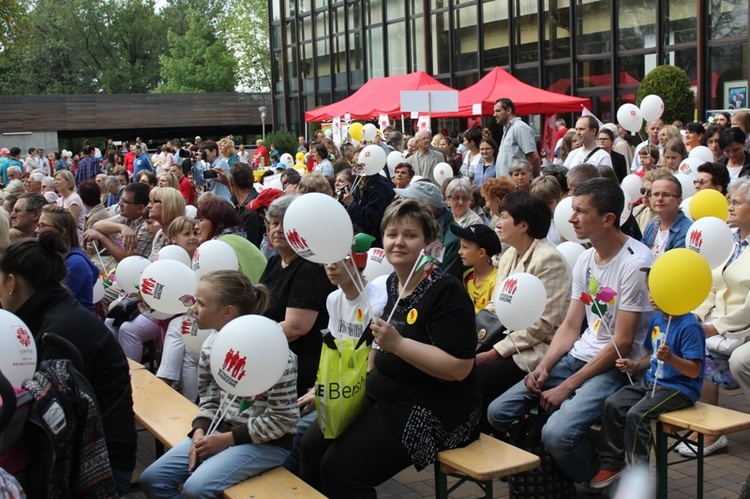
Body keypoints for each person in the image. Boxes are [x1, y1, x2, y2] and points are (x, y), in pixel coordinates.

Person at [299, 198, 480, 496]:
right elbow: (374, 351)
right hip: (386, 390)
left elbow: (459, 369)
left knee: (340, 470)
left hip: (434, 406)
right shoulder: (393, 284)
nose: (399, 242)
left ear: (428, 242)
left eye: (410, 235)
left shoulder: (446, 290)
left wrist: (398, 345)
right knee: (311, 446)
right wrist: (332, 388)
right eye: (392, 234)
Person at [487, 178, 655, 484]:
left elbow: (623, 343)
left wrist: (568, 386)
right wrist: (545, 367)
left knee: (557, 435)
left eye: (580, 211)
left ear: (608, 219)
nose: (571, 217)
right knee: (499, 411)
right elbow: (570, 325)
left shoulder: (636, 263)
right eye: (572, 209)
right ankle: (592, 459)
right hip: (579, 356)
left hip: (615, 368)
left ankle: (594, 479)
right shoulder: (587, 258)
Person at [140, 270, 298, 498]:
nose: (193, 308)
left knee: (196, 489)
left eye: (201, 304)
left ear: (227, 312)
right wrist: (199, 431)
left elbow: (283, 419)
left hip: (265, 444)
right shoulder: (212, 344)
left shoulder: (275, 352)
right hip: (218, 432)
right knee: (153, 479)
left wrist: (228, 440)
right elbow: (210, 398)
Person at [0, 232, 137, 494]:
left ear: (11, 282)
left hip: (101, 464)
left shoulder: (61, 328)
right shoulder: (49, 311)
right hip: (87, 451)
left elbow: (47, 415)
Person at [589, 271, 704, 489]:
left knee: (637, 415)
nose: (651, 296)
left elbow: (694, 371)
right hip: (652, 381)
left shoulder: (689, 325)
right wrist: (635, 365)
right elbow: (650, 357)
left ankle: (637, 478)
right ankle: (611, 463)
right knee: (613, 403)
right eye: (649, 289)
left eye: (656, 290)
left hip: (678, 388)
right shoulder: (657, 319)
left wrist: (671, 358)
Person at [285, 237, 388, 475]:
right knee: (290, 422)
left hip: (358, 394)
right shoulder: (333, 299)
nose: (331, 266)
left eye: (340, 259)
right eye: (327, 261)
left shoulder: (377, 304)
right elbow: (332, 354)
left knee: (300, 434)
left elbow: (370, 369)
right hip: (334, 387)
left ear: (358, 260)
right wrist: (317, 390)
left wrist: (324, 396)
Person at [476, 191, 571, 433]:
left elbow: (542, 325)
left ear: (523, 226)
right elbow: (496, 306)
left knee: (480, 377)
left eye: (504, 217)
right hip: (505, 337)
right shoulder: (508, 255)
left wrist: (494, 352)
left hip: (535, 349)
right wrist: (475, 333)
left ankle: (492, 443)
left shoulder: (549, 260)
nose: (497, 223)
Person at [688, 177, 750, 456]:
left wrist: (716, 327)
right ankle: (708, 430)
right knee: (690, 340)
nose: (729, 207)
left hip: (742, 327)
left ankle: (710, 428)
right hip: (721, 322)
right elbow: (711, 284)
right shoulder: (728, 239)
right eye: (730, 200)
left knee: (737, 359)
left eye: (737, 202)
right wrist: (698, 317)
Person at [259, 195, 336, 396]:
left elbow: (296, 327)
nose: (278, 229)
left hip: (297, 367)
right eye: (275, 223)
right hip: (271, 353)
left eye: (287, 224)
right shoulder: (274, 262)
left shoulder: (310, 267)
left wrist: (252, 341)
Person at [154, 216, 201, 401]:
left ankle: (165, 385)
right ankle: (185, 401)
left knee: (184, 339)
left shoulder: (202, 259)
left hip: (197, 321)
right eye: (187, 234)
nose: (193, 238)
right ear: (173, 238)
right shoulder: (168, 261)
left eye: (195, 233)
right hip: (171, 318)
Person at [39, 204, 99, 311]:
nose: (36, 230)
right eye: (38, 225)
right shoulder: (52, 256)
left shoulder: (75, 263)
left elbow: (52, 302)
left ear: (62, 232)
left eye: (42, 226)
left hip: (77, 324)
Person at [196, 198, 267, 284]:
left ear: (216, 221)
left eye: (201, 220)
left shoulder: (218, 246)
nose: (196, 226)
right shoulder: (238, 240)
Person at [450, 223, 502, 314]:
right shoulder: (467, 275)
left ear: (481, 253)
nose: (459, 252)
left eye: (465, 247)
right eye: (460, 247)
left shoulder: (496, 282)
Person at [341, 165, 395, 247]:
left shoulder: (380, 187)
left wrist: (351, 204)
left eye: (359, 164)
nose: (354, 166)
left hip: (373, 242)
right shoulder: (359, 183)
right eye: (354, 162)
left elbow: (371, 220)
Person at [641, 173, 691, 257]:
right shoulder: (652, 225)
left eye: (666, 195)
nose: (659, 199)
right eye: (656, 194)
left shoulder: (687, 231)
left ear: (679, 201)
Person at [494, 98, 541, 176]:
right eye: (494, 111)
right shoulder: (507, 129)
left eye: (498, 111)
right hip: (506, 184)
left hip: (517, 184)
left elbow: (533, 157)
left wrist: (535, 179)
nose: (494, 114)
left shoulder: (519, 127)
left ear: (509, 110)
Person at [54, 170, 86, 243]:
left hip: (73, 238)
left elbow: (72, 223)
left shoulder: (73, 199)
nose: (55, 182)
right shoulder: (60, 200)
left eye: (58, 179)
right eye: (55, 180)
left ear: (68, 182)